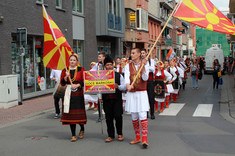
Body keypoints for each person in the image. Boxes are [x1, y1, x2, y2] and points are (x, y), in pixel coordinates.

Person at [125, 48, 150, 148]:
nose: (132, 54)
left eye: (133, 53)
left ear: (139, 54)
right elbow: (127, 77)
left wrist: (143, 67)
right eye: (131, 53)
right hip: (132, 93)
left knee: (143, 114)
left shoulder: (145, 64)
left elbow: (145, 78)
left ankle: (144, 139)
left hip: (142, 92)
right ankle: (137, 137)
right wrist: (128, 86)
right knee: (134, 115)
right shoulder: (128, 66)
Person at [98, 56, 126, 142]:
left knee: (118, 116)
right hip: (106, 99)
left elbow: (124, 86)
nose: (109, 66)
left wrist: (118, 86)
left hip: (117, 99)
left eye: (110, 65)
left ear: (113, 65)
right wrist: (99, 97)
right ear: (105, 66)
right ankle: (111, 135)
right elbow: (98, 86)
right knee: (108, 117)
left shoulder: (118, 75)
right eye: (107, 65)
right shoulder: (101, 76)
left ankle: (120, 133)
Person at [60, 54, 87, 142]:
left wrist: (78, 84)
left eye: (74, 60)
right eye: (71, 60)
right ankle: (73, 135)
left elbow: (85, 80)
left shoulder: (81, 69)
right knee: (71, 115)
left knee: (78, 115)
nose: (72, 62)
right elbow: (62, 83)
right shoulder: (65, 70)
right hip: (68, 93)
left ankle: (82, 128)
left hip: (78, 93)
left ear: (77, 61)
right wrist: (65, 77)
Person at [90, 51, 106, 122]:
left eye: (100, 57)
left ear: (103, 57)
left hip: (106, 84)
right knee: (99, 100)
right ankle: (100, 116)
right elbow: (91, 71)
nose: (98, 58)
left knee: (106, 100)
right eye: (98, 57)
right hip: (99, 84)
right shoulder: (97, 65)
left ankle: (107, 114)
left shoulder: (107, 64)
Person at [141, 48, 155, 120]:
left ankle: (152, 113)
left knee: (151, 97)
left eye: (143, 53)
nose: (142, 54)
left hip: (150, 81)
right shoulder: (139, 61)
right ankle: (146, 113)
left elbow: (152, 69)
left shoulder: (151, 61)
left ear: (146, 53)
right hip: (143, 82)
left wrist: (146, 66)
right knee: (144, 98)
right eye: (141, 53)